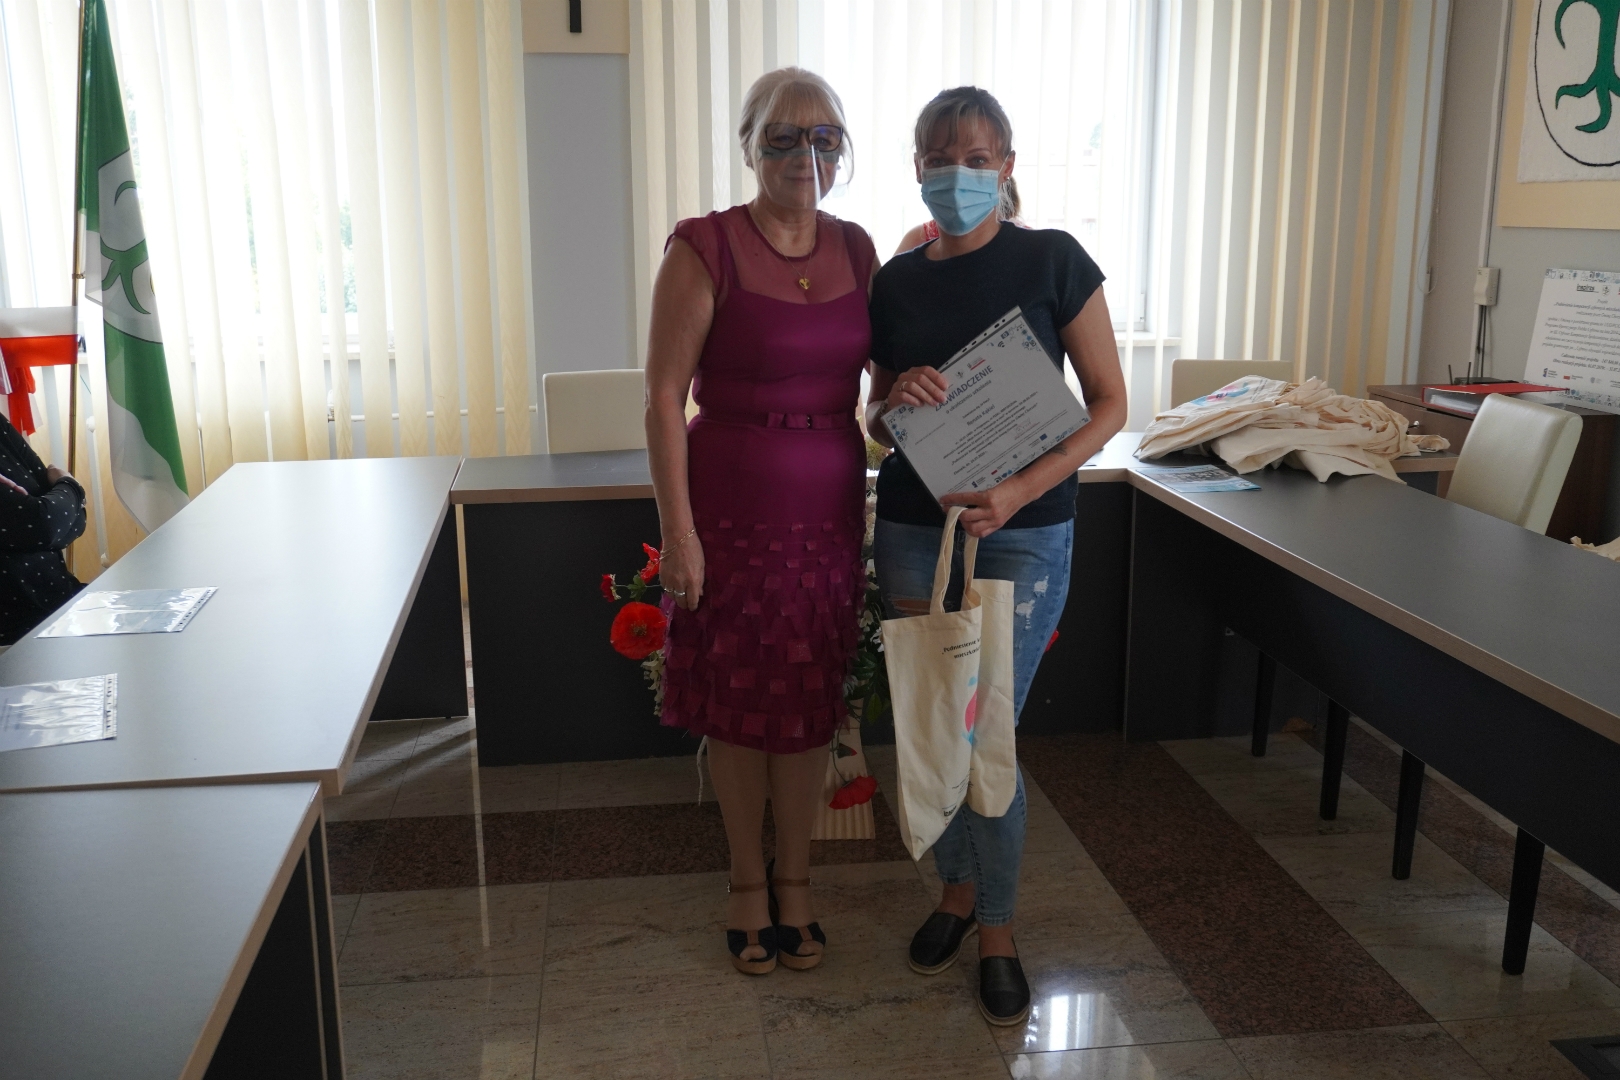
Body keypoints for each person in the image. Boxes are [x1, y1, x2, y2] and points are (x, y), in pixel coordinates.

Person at [864, 86, 1128, 1025]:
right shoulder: (895, 280)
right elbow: (876, 420)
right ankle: (955, 893)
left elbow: (1109, 404)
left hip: (1023, 526)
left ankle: (999, 929)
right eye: (940, 160)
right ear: (918, 169)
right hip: (913, 526)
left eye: (976, 160)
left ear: (1007, 167)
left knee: (987, 737)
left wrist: (1017, 490)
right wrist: (895, 399)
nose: (958, 176)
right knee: (935, 722)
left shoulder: (1053, 259)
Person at [645, 68, 876, 976]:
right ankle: (747, 880)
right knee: (741, 704)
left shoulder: (858, 249)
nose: (804, 155)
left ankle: (797, 879)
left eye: (824, 138)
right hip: (732, 513)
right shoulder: (704, 246)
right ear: (748, 146)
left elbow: (880, 395)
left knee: (810, 697)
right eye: (782, 136)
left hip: (827, 515)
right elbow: (664, 401)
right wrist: (680, 535)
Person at [0, 412, 86, 645]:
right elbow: (44, 524)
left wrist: (63, 497)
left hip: (63, 607)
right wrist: (70, 485)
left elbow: (74, 521)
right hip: (15, 636)